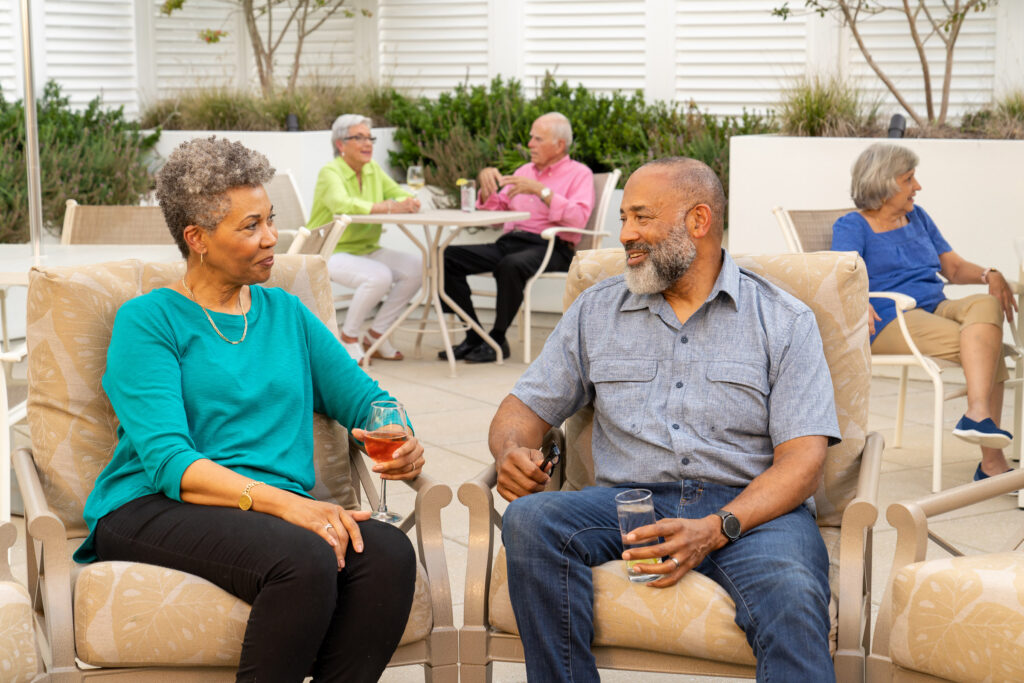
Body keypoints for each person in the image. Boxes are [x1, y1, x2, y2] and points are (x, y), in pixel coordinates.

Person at [75, 137, 424, 682]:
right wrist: (290, 507)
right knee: (305, 556)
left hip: (267, 511)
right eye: (250, 226)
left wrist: (394, 430)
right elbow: (169, 461)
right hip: (154, 504)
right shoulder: (149, 321)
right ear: (197, 239)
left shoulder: (285, 312)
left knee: (387, 553)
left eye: (271, 220)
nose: (271, 238)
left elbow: (366, 397)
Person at [491, 157, 841, 681]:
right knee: (531, 521)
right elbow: (522, 410)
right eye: (624, 219)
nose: (625, 234)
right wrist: (513, 451)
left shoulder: (784, 320)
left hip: (752, 512)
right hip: (628, 502)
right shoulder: (596, 311)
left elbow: (804, 463)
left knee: (792, 597)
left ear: (698, 221)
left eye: (642, 217)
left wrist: (717, 527)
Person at [832, 143, 1017, 483]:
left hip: (934, 305)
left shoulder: (917, 217)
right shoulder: (852, 226)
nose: (917, 186)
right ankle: (991, 462)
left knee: (986, 305)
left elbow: (954, 267)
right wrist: (858, 299)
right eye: (909, 179)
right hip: (889, 317)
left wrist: (988, 274)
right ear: (884, 183)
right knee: (990, 348)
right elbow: (841, 273)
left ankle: (977, 414)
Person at [440, 112, 595, 363]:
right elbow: (498, 211)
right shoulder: (524, 170)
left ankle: (497, 338)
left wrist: (542, 191)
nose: (530, 144)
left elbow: (578, 218)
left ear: (559, 145)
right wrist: (486, 185)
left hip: (553, 246)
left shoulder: (580, 174)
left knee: (511, 266)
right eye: (531, 138)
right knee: (446, 257)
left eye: (537, 139)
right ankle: (475, 336)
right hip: (511, 242)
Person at [307, 113, 423, 361]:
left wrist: (407, 201)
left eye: (369, 138)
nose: (367, 143)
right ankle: (348, 337)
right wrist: (388, 206)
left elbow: (396, 193)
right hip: (328, 250)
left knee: (418, 267)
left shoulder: (372, 169)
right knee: (379, 276)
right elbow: (341, 204)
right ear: (340, 144)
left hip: (366, 247)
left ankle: (376, 335)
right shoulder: (330, 172)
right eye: (359, 138)